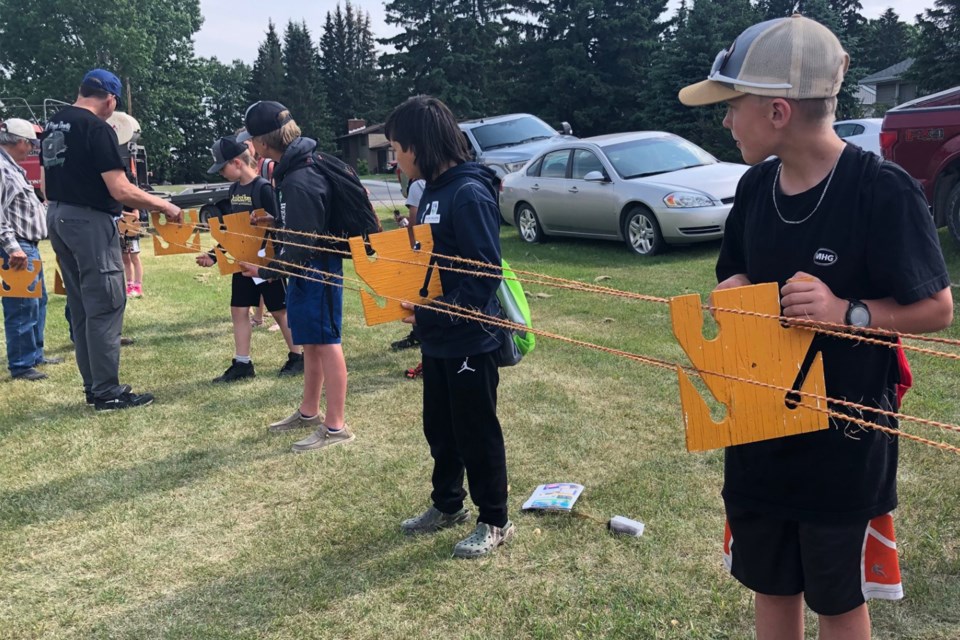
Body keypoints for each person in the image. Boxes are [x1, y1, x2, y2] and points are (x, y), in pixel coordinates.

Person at [678, 15, 953, 639]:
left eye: (731, 106)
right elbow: (736, 278)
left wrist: (847, 312)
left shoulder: (880, 190)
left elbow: (937, 308)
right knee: (772, 587)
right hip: (758, 433)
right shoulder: (752, 190)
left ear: (777, 111)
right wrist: (733, 293)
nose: (724, 120)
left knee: (837, 599)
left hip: (844, 447)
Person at [386, 95, 514, 558]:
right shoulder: (433, 191)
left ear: (420, 145)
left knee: (475, 429)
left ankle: (496, 520)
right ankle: (447, 505)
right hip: (437, 338)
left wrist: (430, 312)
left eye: (398, 148)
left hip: (469, 339)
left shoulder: (469, 192)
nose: (395, 158)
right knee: (440, 427)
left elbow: (484, 276)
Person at [41, 68, 181, 410]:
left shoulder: (53, 124)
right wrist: (164, 204)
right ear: (111, 100)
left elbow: (45, 186)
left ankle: (93, 387)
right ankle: (106, 392)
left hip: (57, 217)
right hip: (89, 221)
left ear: (81, 89)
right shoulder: (97, 129)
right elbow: (119, 189)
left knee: (81, 307)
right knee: (105, 303)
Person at [237, 101, 353, 452]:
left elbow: (305, 244)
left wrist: (267, 270)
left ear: (262, 142)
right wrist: (276, 223)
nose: (249, 147)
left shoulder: (300, 177)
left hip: (317, 269)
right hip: (307, 269)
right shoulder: (293, 170)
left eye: (250, 141)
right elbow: (304, 225)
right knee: (312, 342)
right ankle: (309, 412)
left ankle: (336, 427)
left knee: (327, 342)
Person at [197, 134, 303, 382]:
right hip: (242, 261)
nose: (221, 173)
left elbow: (280, 225)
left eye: (222, 167)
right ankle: (243, 364)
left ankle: (298, 356)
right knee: (238, 309)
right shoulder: (234, 190)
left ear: (236, 162)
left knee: (279, 309)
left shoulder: (264, 188)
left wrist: (275, 262)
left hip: (264, 262)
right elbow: (234, 231)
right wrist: (215, 255)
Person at [0, 118, 61, 381]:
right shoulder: (2, 169)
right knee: (22, 306)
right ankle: (22, 364)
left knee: (37, 302)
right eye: (31, 143)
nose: (32, 148)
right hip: (17, 247)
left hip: (28, 245)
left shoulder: (12, 167)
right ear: (20, 142)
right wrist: (12, 247)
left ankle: (34, 354)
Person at [392, 176, 425, 373]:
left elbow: (414, 223)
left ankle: (420, 335)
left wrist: (411, 244)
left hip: (421, 249)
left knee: (419, 295)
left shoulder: (416, 185)